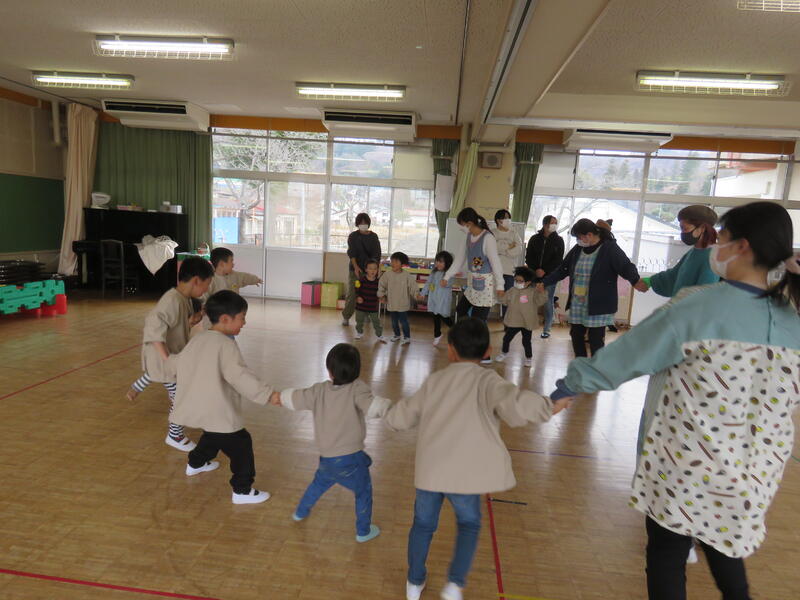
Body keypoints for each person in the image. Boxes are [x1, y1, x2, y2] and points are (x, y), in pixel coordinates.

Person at [549, 202, 800, 600]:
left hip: (687, 462)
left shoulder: (700, 306)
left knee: (668, 553)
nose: (716, 247)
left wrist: (569, 386)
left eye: (723, 238)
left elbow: (629, 353)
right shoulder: (792, 317)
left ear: (742, 247)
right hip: (757, 471)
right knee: (723, 540)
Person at [385, 318, 569, 600]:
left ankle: (414, 583)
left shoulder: (435, 381)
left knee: (423, 525)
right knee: (469, 524)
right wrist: (550, 406)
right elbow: (517, 403)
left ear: (450, 350)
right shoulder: (488, 381)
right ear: (487, 352)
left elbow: (402, 416)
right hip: (465, 476)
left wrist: (388, 415)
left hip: (431, 472)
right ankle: (454, 585)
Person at [270, 343, 390, 542]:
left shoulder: (319, 390)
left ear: (329, 371)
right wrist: (390, 408)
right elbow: (373, 407)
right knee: (363, 492)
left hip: (327, 458)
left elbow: (297, 398)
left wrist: (279, 397)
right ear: (358, 370)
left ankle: (300, 512)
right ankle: (363, 531)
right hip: (349, 458)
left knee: (318, 484)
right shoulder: (358, 389)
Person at [167, 290, 274, 505]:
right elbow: (240, 376)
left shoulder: (198, 338)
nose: (244, 322)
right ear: (225, 319)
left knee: (213, 434)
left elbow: (176, 364)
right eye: (242, 317)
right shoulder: (226, 345)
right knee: (241, 443)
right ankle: (242, 490)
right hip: (217, 407)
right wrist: (268, 394)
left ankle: (196, 463)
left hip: (203, 406)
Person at [129, 256, 213, 451]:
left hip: (169, 359)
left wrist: (194, 319)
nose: (206, 289)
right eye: (207, 284)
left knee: (162, 380)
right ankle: (174, 435)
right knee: (180, 398)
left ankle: (135, 388)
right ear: (196, 281)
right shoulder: (172, 300)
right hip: (166, 360)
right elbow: (153, 324)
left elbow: (178, 323)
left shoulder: (183, 299)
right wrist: (167, 359)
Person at [539, 218, 641, 357]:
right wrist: (545, 282)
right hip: (578, 302)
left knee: (595, 339)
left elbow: (625, 266)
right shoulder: (578, 249)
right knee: (576, 335)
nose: (578, 240)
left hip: (598, 303)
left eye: (579, 237)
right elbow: (562, 269)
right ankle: (580, 364)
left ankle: (595, 368)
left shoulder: (609, 248)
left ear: (589, 235)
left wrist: (636, 281)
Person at [443, 207, 505, 364]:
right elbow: (459, 259)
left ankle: (485, 354)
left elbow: (496, 263)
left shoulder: (487, 238)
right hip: (472, 283)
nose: (461, 228)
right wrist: (447, 276)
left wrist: (500, 285)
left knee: (479, 322)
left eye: (462, 225)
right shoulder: (468, 236)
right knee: (461, 310)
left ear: (469, 223)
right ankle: (466, 343)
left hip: (486, 285)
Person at [638, 205, 720, 297]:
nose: (683, 233)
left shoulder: (712, 258)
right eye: (681, 229)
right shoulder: (694, 252)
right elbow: (674, 275)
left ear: (702, 228)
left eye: (685, 228)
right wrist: (651, 281)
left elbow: (705, 295)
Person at [128, 299, 204, 398]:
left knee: (160, 374)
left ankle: (136, 388)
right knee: (176, 394)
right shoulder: (171, 332)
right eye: (197, 315)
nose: (199, 318)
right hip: (168, 367)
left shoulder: (181, 326)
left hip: (166, 365)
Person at [495, 266, 546, 367]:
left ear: (528, 282)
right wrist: (500, 295)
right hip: (514, 321)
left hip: (527, 322)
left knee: (526, 341)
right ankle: (504, 353)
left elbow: (540, 301)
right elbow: (503, 301)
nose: (518, 283)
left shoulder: (533, 292)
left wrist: (542, 292)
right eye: (516, 280)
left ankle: (528, 357)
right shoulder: (512, 290)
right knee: (506, 338)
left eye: (521, 281)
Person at [526, 215, 565, 339]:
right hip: (534, 275)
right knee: (531, 301)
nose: (555, 225)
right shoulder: (534, 239)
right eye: (553, 223)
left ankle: (547, 329)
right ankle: (528, 326)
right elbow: (529, 256)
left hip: (550, 277)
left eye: (556, 223)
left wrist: (545, 271)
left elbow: (558, 260)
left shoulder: (559, 240)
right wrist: (536, 269)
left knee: (548, 303)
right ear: (545, 224)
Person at [342, 213, 382, 327]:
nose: (363, 225)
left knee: (368, 294)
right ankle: (346, 316)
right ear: (357, 224)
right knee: (352, 293)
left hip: (370, 270)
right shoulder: (353, 236)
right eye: (361, 223)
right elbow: (352, 253)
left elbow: (377, 254)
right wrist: (356, 267)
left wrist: (375, 269)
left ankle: (366, 315)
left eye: (365, 223)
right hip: (355, 270)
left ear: (368, 223)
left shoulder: (373, 237)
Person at [378, 252, 418, 345]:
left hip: (402, 303)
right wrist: (382, 295)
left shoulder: (407, 275)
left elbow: (413, 287)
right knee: (394, 322)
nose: (393, 263)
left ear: (402, 263)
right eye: (392, 261)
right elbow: (381, 285)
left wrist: (417, 295)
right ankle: (397, 335)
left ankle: (407, 337)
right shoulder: (387, 274)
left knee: (404, 322)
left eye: (396, 261)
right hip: (391, 303)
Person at [418, 250, 454, 346]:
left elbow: (449, 283)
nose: (438, 263)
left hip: (443, 299)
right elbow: (428, 283)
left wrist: (445, 282)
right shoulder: (434, 272)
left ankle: (456, 329)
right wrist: (423, 293)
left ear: (447, 263)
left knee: (444, 316)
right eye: (437, 261)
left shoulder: (449, 273)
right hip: (434, 297)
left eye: (441, 262)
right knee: (435, 316)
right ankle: (437, 334)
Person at [493, 209, 523, 314]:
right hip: (495, 270)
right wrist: (509, 246)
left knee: (508, 297)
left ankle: (506, 320)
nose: (508, 220)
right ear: (498, 220)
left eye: (508, 218)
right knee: (492, 295)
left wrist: (504, 251)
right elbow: (492, 248)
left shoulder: (514, 233)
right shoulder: (492, 232)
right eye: (505, 218)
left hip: (510, 270)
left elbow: (519, 249)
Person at [354, 260, 387, 342]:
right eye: (370, 268)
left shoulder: (378, 282)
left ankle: (379, 335)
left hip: (372, 306)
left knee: (376, 322)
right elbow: (356, 290)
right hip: (361, 306)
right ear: (366, 269)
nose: (373, 271)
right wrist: (358, 297)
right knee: (359, 320)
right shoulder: (361, 280)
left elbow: (381, 292)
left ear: (377, 270)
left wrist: (382, 298)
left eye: (375, 269)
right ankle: (359, 332)